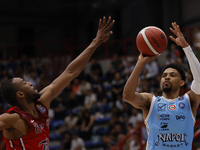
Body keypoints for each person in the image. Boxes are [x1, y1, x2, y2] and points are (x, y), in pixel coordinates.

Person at [0, 16, 115, 149]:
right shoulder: (13, 119)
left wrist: (96, 42)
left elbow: (70, 72)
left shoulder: (42, 103)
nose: (30, 83)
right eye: (25, 83)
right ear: (20, 94)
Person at [123, 22, 200, 150]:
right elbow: (127, 96)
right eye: (164, 75)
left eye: (172, 75)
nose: (167, 77)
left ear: (182, 82)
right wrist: (140, 64)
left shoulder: (189, 101)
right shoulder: (150, 101)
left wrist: (186, 47)